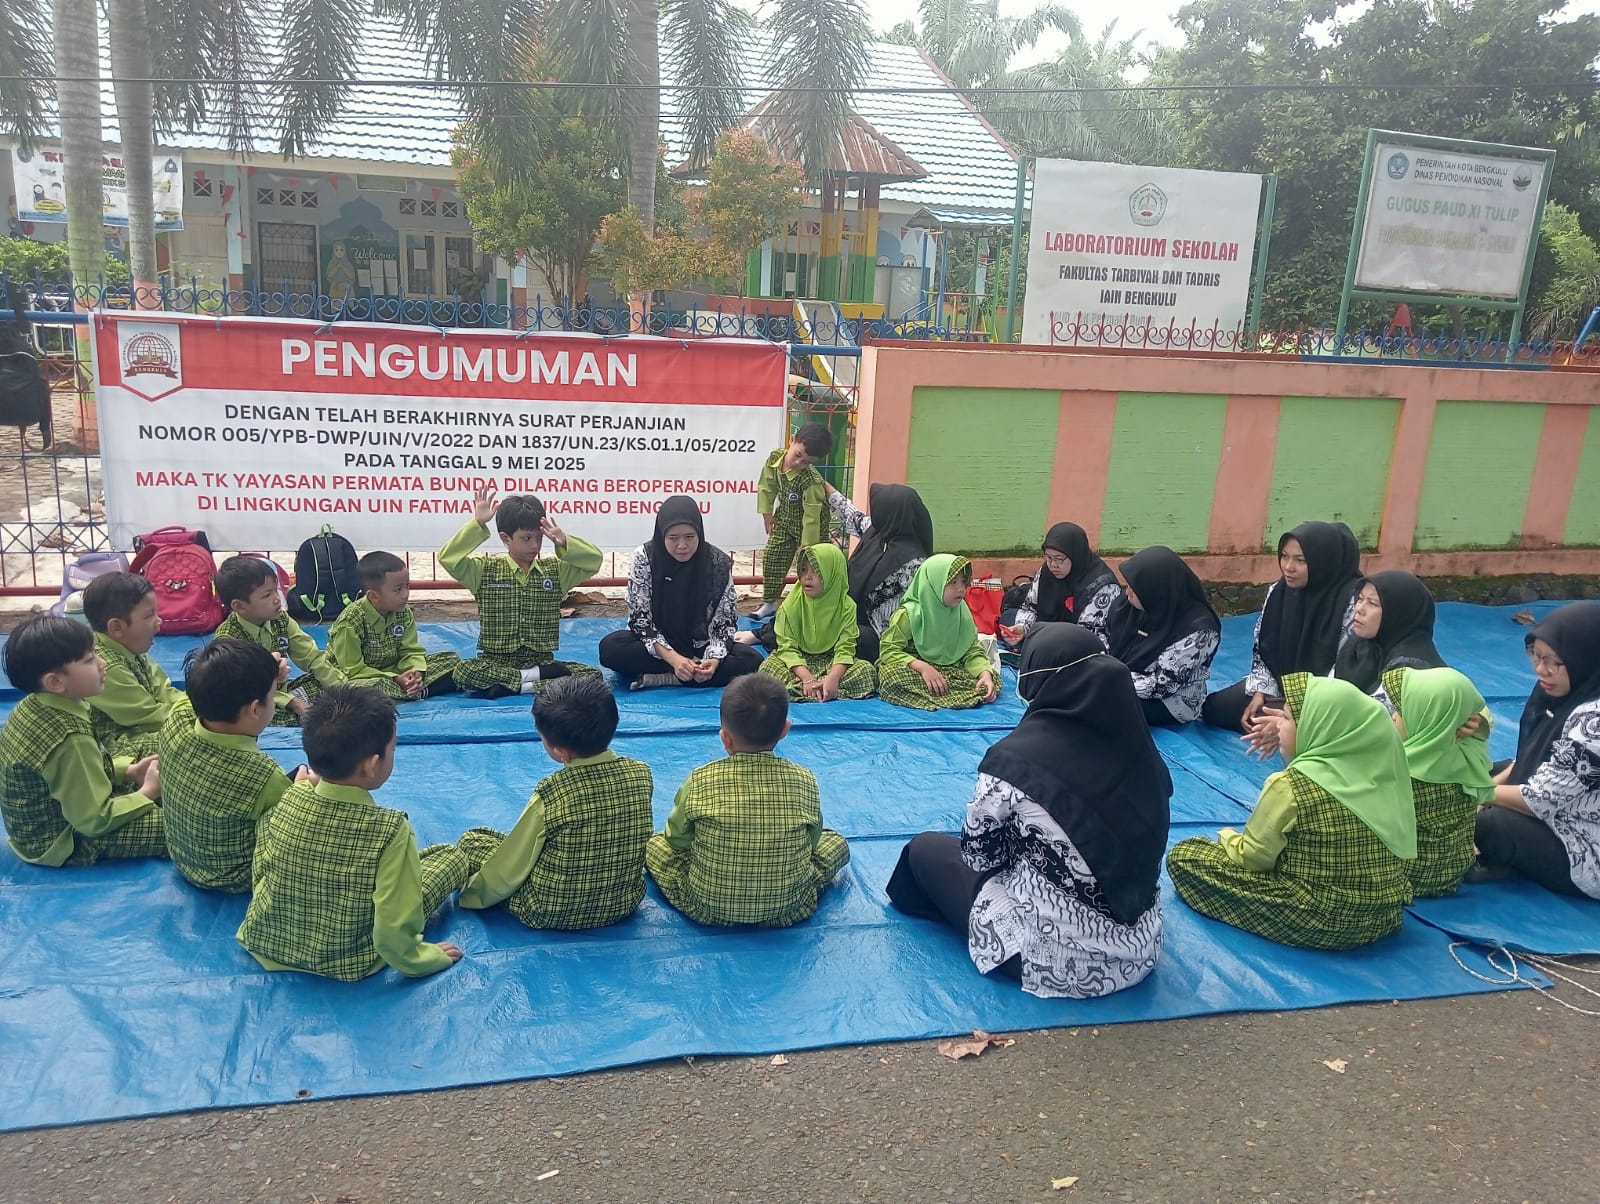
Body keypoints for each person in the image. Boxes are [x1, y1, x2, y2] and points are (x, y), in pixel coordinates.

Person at [886, 625, 1171, 998]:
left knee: (924, 851)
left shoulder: (1013, 762)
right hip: (1138, 951)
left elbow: (979, 854)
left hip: (1051, 963)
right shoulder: (1146, 758)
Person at [237, 686, 470, 981]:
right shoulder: (390, 829)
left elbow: (263, 872)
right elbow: (392, 932)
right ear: (372, 765)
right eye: (392, 748)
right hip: (348, 958)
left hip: (268, 943)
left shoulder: (289, 797)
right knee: (451, 857)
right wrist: (424, 958)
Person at [1167, 673, 1415, 950]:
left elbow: (1253, 858)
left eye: (1285, 719)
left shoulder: (1290, 785)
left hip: (1317, 917)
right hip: (1381, 914)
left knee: (1185, 856)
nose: (1278, 728)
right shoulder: (1386, 771)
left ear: (1317, 727)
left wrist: (1228, 838)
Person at [646, 674, 850, 927]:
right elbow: (812, 841)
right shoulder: (804, 778)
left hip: (706, 905)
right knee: (836, 843)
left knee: (655, 844)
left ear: (725, 738)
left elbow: (676, 839)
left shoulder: (700, 779)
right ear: (785, 729)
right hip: (788, 906)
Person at [457, 676, 653, 929]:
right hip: (622, 904)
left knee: (474, 840)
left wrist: (473, 894)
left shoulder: (552, 793)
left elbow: (510, 867)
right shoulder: (641, 773)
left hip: (547, 910)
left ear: (560, 752)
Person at [0, 614, 165, 866]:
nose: (102, 664)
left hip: (60, 817)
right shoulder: (69, 739)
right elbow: (94, 820)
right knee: (180, 825)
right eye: (89, 660)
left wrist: (128, 771)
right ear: (55, 682)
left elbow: (81, 773)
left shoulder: (37, 703)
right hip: (64, 839)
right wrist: (147, 792)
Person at [1472, 603, 1600, 898]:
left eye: (1554, 661)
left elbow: (1539, 800)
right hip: (1561, 801)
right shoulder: (1561, 689)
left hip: (1585, 845)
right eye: (1537, 656)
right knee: (1483, 771)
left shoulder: (1593, 722)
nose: (1541, 669)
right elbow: (1530, 758)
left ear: (1585, 658)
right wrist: (1483, 784)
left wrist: (1478, 793)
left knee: (1490, 823)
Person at [160, 638, 306, 893]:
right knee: (305, 792)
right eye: (273, 696)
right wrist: (303, 790)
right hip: (231, 876)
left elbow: (211, 687)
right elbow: (289, 816)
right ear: (254, 709)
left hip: (183, 857)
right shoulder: (262, 774)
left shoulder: (178, 716)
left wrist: (263, 674)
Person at [1200, 520, 1362, 734]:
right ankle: (1284, 726)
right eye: (1284, 556)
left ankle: (1290, 728)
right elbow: (1265, 645)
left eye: (1300, 560)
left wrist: (1289, 715)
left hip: (1328, 699)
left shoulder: (1353, 602)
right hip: (1283, 687)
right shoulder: (1279, 592)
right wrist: (1261, 690)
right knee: (1215, 709)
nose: (1288, 567)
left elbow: (1344, 671)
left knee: (1316, 729)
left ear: (1324, 562)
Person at [439, 488, 603, 698]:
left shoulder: (555, 572)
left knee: (592, 674)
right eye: (526, 538)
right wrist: (477, 525)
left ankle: (513, 684)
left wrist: (564, 542)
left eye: (539, 538)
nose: (535, 545)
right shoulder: (483, 570)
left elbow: (594, 560)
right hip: (496, 661)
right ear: (506, 538)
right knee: (463, 672)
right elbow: (448, 558)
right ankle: (532, 681)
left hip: (541, 661)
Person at [597, 495, 761, 690]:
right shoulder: (645, 558)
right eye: (673, 538)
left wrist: (714, 660)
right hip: (658, 647)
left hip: (700, 645)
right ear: (661, 535)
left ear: (699, 533)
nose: (682, 545)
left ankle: (664, 678)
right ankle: (685, 674)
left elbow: (724, 622)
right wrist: (674, 659)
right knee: (611, 648)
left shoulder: (717, 563)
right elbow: (640, 620)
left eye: (690, 537)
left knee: (751, 660)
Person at [1380, 666, 1494, 898]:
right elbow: (1469, 705)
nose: (1393, 716)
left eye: (1402, 711)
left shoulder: (1398, 771)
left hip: (1401, 876)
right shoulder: (1471, 754)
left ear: (1427, 718)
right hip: (1449, 874)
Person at [213, 555, 347, 724]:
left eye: (276, 590)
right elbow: (245, 689)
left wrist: (344, 689)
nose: (277, 599)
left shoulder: (280, 620)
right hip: (252, 700)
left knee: (330, 678)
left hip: (281, 691)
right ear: (239, 606)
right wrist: (293, 702)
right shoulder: (229, 640)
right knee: (251, 714)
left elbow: (312, 656)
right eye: (267, 595)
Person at [1103, 545, 1221, 726]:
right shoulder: (1134, 606)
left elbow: (1162, 686)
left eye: (1135, 589)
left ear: (1155, 590)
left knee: (1097, 704)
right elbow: (1103, 635)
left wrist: (1106, 678)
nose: (1127, 593)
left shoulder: (1198, 630)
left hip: (1170, 701)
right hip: (1118, 680)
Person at [821, 480, 933, 664]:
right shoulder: (880, 533)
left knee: (825, 626)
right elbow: (851, 515)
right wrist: (823, 485)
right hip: (855, 622)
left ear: (888, 513)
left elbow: (888, 621)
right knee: (805, 612)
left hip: (881, 640)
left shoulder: (912, 563)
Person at [327, 551, 462, 702]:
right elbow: (352, 669)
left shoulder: (403, 613)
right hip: (363, 677)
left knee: (451, 660)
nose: (406, 594)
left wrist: (414, 673)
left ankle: (409, 691)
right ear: (374, 596)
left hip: (396, 671)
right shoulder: (349, 622)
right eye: (398, 589)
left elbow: (411, 650)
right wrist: (395, 679)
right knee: (359, 688)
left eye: (407, 586)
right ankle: (420, 692)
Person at [876, 554, 998, 711]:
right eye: (952, 582)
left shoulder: (962, 611)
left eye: (963, 581)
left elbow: (971, 651)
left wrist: (984, 674)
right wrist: (923, 668)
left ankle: (941, 693)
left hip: (951, 671)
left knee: (989, 681)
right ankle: (945, 694)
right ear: (934, 584)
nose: (960, 589)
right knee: (892, 678)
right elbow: (888, 650)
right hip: (915, 671)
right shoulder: (910, 613)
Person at [758, 543, 877, 702]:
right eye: (803, 570)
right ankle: (821, 691)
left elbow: (845, 648)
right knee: (768, 669)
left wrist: (833, 677)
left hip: (831, 659)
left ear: (833, 574)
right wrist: (807, 678)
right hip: (798, 662)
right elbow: (787, 647)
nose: (807, 576)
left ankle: (818, 689)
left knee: (865, 671)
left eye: (816, 571)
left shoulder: (846, 606)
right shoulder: (791, 604)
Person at [82, 571, 179, 761]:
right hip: (112, 744)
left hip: (140, 728)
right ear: (116, 628)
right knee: (188, 740)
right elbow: (149, 717)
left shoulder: (132, 650)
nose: (159, 621)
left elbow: (162, 687)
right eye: (149, 615)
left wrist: (197, 706)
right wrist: (202, 718)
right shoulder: (105, 667)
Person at [753, 422, 833, 620]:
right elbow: (766, 485)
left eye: (806, 462)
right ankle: (770, 603)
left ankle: (810, 607)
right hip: (785, 521)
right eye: (798, 455)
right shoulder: (775, 459)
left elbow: (811, 517)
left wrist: (807, 545)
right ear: (792, 440)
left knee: (811, 567)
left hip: (812, 530)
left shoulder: (810, 481)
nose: (799, 463)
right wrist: (767, 513)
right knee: (773, 556)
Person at [997, 522, 1121, 649]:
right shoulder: (1047, 571)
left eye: (1059, 559)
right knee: (1008, 618)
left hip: (1077, 643)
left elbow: (1088, 637)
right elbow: (1030, 608)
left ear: (1075, 555)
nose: (1053, 565)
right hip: (1046, 632)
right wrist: (1023, 627)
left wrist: (1045, 636)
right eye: (1048, 557)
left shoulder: (1102, 587)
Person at [1333, 570, 1444, 694]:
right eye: (1360, 599)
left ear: (1397, 613)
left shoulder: (1409, 670)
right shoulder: (1360, 644)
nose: (1358, 609)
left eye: (1372, 603)